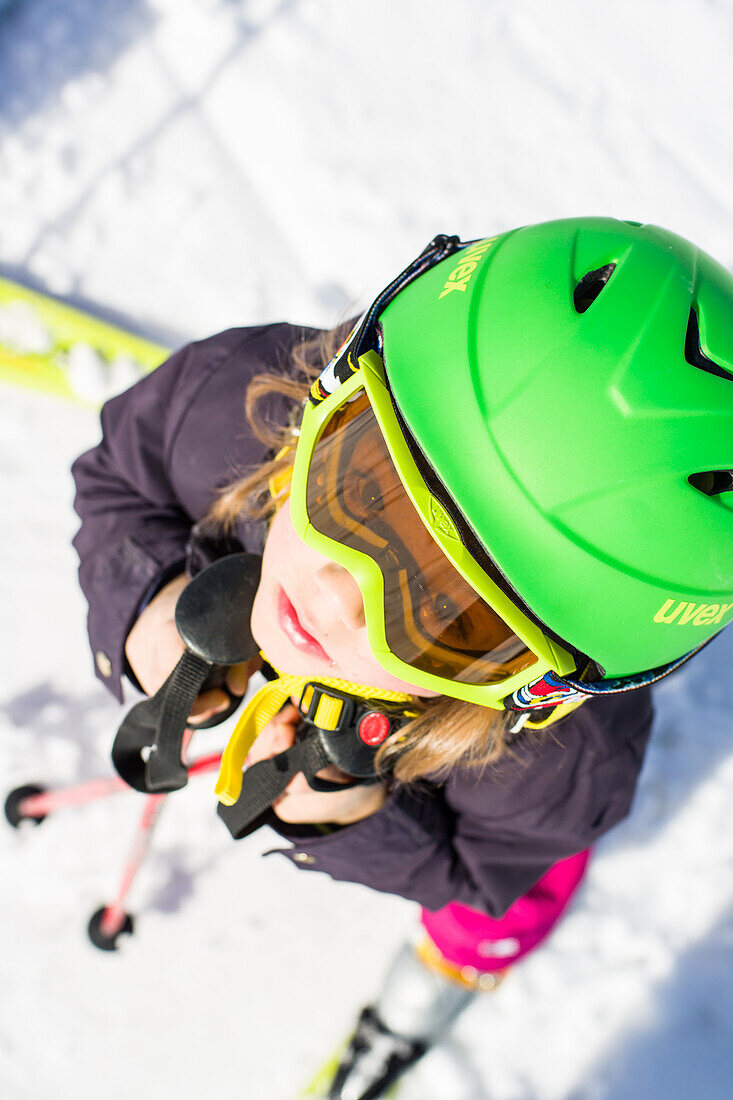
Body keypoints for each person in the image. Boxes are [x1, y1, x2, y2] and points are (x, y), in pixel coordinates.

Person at [71, 217, 733, 1099]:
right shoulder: (240, 410)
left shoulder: (559, 768)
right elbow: (123, 473)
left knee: (484, 924)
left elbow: (480, 872)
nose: (340, 594)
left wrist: (355, 813)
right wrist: (149, 612)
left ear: (535, 692)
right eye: (363, 480)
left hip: (490, 788)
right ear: (338, 392)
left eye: (452, 615)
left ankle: (419, 1007)